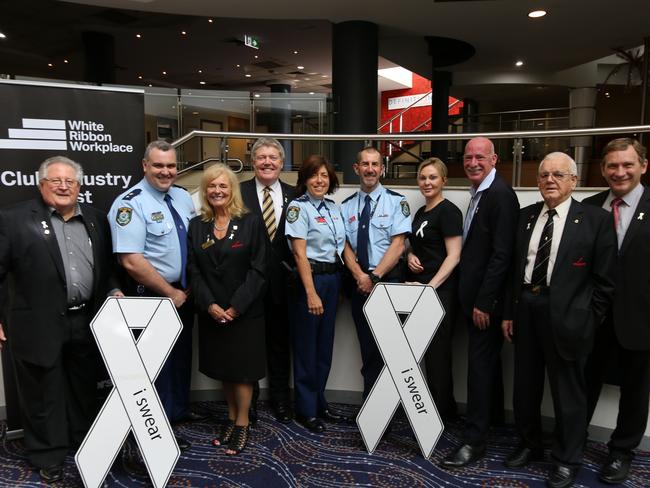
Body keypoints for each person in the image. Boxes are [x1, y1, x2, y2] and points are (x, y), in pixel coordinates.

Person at [0, 156, 120, 483]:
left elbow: (105, 270)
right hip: (36, 324)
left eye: (70, 181)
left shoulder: (97, 220)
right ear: (42, 185)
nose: (64, 186)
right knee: (43, 394)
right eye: (56, 181)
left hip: (85, 321)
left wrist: (113, 291)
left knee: (82, 389)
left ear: (80, 187)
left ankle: (84, 444)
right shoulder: (13, 219)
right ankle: (48, 455)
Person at [501, 152, 616, 488]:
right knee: (525, 386)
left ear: (574, 181)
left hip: (569, 317)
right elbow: (512, 271)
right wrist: (509, 312)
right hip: (527, 309)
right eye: (544, 175)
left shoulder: (595, 219)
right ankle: (529, 444)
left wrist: (588, 319)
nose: (550, 180)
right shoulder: (525, 217)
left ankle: (567, 458)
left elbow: (606, 281)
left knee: (568, 393)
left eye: (558, 175)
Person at [108, 140, 198, 452]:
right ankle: (156, 429)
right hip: (151, 297)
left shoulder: (183, 197)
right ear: (145, 166)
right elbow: (130, 260)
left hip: (182, 295)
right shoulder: (129, 204)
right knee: (154, 367)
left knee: (179, 359)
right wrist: (169, 291)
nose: (166, 171)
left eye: (171, 166)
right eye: (158, 165)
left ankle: (176, 413)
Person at [442, 137, 519, 468]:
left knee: (478, 369)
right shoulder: (479, 193)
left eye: (480, 157)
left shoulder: (500, 196)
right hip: (473, 298)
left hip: (484, 304)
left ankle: (475, 441)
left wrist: (485, 303)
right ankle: (494, 421)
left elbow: (503, 256)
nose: (473, 162)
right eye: (468, 157)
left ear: (495, 159)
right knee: (486, 366)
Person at [187, 163, 267, 455]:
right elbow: (194, 271)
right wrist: (209, 305)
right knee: (224, 370)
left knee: (242, 372)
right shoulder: (198, 226)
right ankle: (231, 418)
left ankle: (243, 423)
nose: (217, 191)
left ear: (232, 190)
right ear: (205, 191)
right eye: (211, 186)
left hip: (243, 313)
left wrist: (234, 307)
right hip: (212, 313)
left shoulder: (251, 222)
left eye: (223, 186)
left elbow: (259, 270)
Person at [583, 138, 650, 484]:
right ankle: (574, 441)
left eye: (627, 165)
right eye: (612, 166)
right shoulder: (590, 207)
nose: (619, 172)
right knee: (584, 382)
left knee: (636, 390)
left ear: (643, 166)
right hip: (593, 317)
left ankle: (621, 451)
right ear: (603, 169)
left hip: (640, 319)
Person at [341, 146, 411, 398]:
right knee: (367, 348)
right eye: (365, 164)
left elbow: (398, 244)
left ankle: (388, 407)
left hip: (387, 282)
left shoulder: (396, 202)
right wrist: (360, 275)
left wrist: (375, 276)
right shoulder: (346, 207)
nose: (370, 169)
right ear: (356, 168)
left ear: (382, 169)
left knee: (390, 349)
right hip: (359, 284)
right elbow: (345, 246)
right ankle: (371, 406)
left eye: (375, 165)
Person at [285, 155, 346, 433]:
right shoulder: (298, 208)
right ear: (304, 180)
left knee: (324, 346)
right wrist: (311, 293)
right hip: (310, 282)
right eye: (313, 175)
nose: (319, 180)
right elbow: (299, 254)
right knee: (307, 348)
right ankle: (306, 409)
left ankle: (319, 401)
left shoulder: (334, 208)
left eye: (324, 175)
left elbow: (342, 247)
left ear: (330, 179)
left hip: (333, 279)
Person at [240, 137, 295, 424]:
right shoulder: (238, 192)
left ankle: (280, 400)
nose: (267, 162)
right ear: (253, 162)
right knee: (247, 345)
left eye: (273, 157)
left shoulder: (296, 194)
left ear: (282, 163)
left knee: (279, 344)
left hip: (283, 285)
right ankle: (248, 403)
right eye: (261, 157)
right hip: (247, 283)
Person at [405, 158, 462, 421]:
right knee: (424, 355)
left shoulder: (449, 212)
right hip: (420, 291)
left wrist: (429, 288)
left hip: (439, 293)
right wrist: (409, 256)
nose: (427, 182)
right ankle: (429, 411)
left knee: (439, 356)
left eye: (432, 178)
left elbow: (453, 256)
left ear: (444, 181)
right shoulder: (420, 213)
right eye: (422, 178)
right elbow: (419, 247)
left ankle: (443, 415)